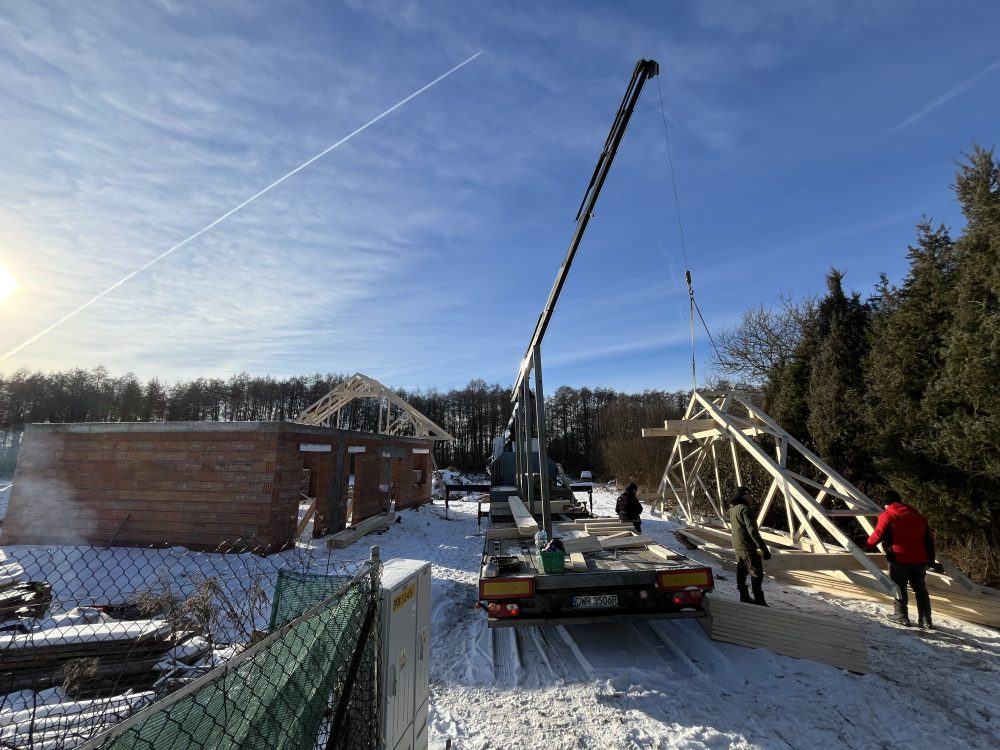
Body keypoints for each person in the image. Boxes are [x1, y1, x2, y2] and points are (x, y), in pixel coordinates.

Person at [867, 489, 942, 628]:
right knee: (920, 588)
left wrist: (867, 545)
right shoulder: (919, 517)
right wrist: (931, 560)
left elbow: (878, 534)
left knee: (899, 587)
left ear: (887, 504)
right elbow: (928, 541)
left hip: (898, 558)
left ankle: (901, 616)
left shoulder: (888, 515)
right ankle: (926, 619)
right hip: (920, 560)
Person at [729, 485, 771, 606]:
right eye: (748, 494)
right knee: (756, 572)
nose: (750, 497)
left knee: (741, 571)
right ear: (743, 496)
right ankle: (759, 599)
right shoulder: (745, 509)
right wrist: (763, 549)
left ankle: (744, 596)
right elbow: (752, 530)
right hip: (747, 546)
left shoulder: (733, 509)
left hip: (737, 546)